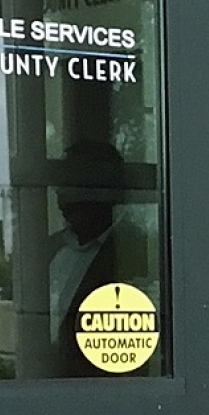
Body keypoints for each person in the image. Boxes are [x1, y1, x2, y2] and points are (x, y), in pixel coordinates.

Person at [48, 139, 150, 376]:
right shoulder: (45, 250)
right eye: (61, 185)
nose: (63, 197)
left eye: (74, 185)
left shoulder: (140, 254)